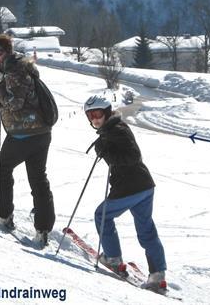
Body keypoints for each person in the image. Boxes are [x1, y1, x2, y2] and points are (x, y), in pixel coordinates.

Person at [83, 95, 167, 292]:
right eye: (90, 115)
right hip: (144, 186)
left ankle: (113, 258)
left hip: (130, 187)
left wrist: (106, 151)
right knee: (146, 230)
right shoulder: (113, 128)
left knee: (102, 215)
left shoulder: (116, 130)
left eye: (98, 114)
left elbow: (133, 155)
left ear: (107, 112)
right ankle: (158, 275)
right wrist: (104, 147)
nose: (94, 119)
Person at [0, 34, 55, 246]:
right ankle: (43, 229)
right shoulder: (16, 70)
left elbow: (14, 104)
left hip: (22, 133)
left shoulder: (15, 72)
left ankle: (3, 214)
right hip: (41, 132)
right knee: (38, 179)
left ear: (8, 51)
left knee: (2, 169)